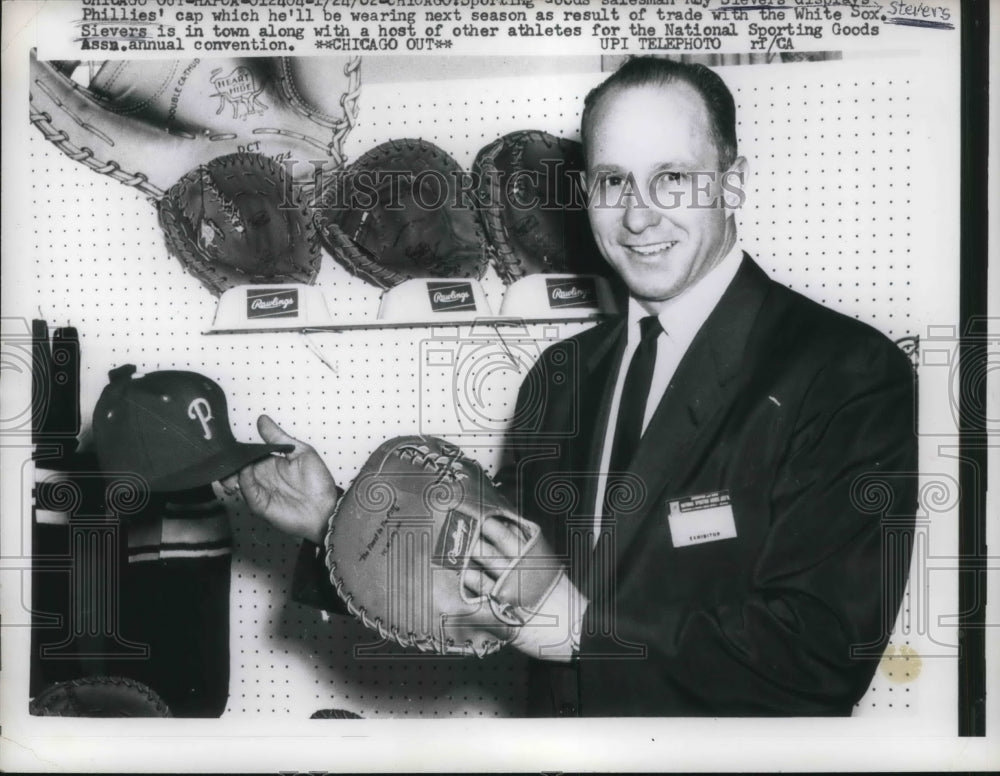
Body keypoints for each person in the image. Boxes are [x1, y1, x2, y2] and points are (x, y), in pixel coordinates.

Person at [229, 57, 918, 717]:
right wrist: (336, 519)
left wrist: (583, 629)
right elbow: (484, 574)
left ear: (732, 183)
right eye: (613, 182)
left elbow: (823, 650)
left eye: (672, 178)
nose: (639, 217)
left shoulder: (846, 371)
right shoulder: (558, 377)